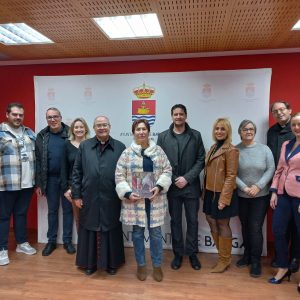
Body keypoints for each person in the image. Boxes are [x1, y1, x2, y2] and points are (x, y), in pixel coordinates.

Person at [115, 119, 172, 282]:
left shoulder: (158, 151)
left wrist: (159, 186)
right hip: (136, 201)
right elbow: (119, 175)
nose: (141, 132)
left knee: (155, 234)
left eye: (144, 129)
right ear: (134, 132)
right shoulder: (127, 153)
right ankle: (141, 265)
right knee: (138, 234)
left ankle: (157, 265)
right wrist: (127, 193)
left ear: (148, 131)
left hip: (155, 199)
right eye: (138, 129)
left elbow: (168, 170)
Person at [72, 116, 125, 276]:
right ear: (93, 128)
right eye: (98, 125)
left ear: (110, 126)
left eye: (104, 125)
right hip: (89, 195)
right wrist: (76, 195)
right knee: (89, 226)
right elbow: (77, 172)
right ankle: (90, 263)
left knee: (111, 227)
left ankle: (112, 263)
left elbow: (126, 173)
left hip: (112, 196)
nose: (102, 128)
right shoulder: (85, 146)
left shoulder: (120, 146)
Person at [157, 104, 205, 271]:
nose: (178, 117)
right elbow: (159, 162)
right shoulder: (163, 137)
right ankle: (178, 253)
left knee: (192, 221)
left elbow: (201, 160)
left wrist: (187, 178)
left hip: (190, 187)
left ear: (186, 116)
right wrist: (172, 178)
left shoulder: (196, 135)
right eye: (175, 114)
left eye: (181, 114)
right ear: (172, 116)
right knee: (175, 221)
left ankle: (191, 253)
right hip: (172, 188)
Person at [235, 120, 275, 277]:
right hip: (242, 196)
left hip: (261, 196)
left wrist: (258, 185)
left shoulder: (264, 149)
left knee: (255, 227)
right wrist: (244, 187)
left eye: (251, 129)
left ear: (255, 131)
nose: (248, 131)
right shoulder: (235, 150)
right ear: (240, 132)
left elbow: (271, 168)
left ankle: (256, 260)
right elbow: (231, 172)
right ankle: (247, 256)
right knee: (245, 226)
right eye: (245, 129)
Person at [0, 103, 37, 266]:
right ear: (7, 114)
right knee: (3, 216)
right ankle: (2, 248)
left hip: (27, 183)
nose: (18, 117)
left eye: (20, 115)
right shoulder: (1, 133)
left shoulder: (29, 132)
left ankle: (22, 243)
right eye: (14, 114)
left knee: (21, 214)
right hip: (7, 183)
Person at [35, 107, 75, 256]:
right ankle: (51, 241)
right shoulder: (42, 135)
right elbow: (38, 161)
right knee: (52, 211)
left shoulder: (70, 133)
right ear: (47, 119)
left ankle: (67, 241)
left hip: (67, 180)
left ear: (61, 117)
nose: (52, 119)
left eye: (55, 116)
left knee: (68, 211)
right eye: (49, 117)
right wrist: (39, 183)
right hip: (50, 180)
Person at [203, 118, 239, 273]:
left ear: (228, 131)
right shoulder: (212, 147)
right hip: (210, 192)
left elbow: (231, 176)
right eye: (217, 128)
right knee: (211, 220)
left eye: (222, 129)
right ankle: (222, 255)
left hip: (223, 192)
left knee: (223, 224)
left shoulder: (231, 150)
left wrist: (224, 199)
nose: (219, 131)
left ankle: (224, 260)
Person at [267, 101, 299, 272]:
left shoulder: (295, 129)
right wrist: (274, 188)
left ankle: (295, 258)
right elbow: (277, 163)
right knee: (281, 227)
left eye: (282, 110)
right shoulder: (271, 132)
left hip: (297, 189)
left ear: (289, 110)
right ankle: (282, 259)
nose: (279, 113)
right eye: (275, 111)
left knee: (296, 227)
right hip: (279, 185)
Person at [60, 117, 90, 231]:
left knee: (90, 218)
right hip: (74, 188)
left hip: (89, 187)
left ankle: (91, 247)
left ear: (86, 129)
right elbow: (63, 168)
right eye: (76, 127)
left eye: (81, 127)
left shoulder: (91, 144)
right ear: (72, 130)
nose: (79, 129)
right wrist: (66, 189)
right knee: (79, 218)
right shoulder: (66, 145)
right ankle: (83, 247)